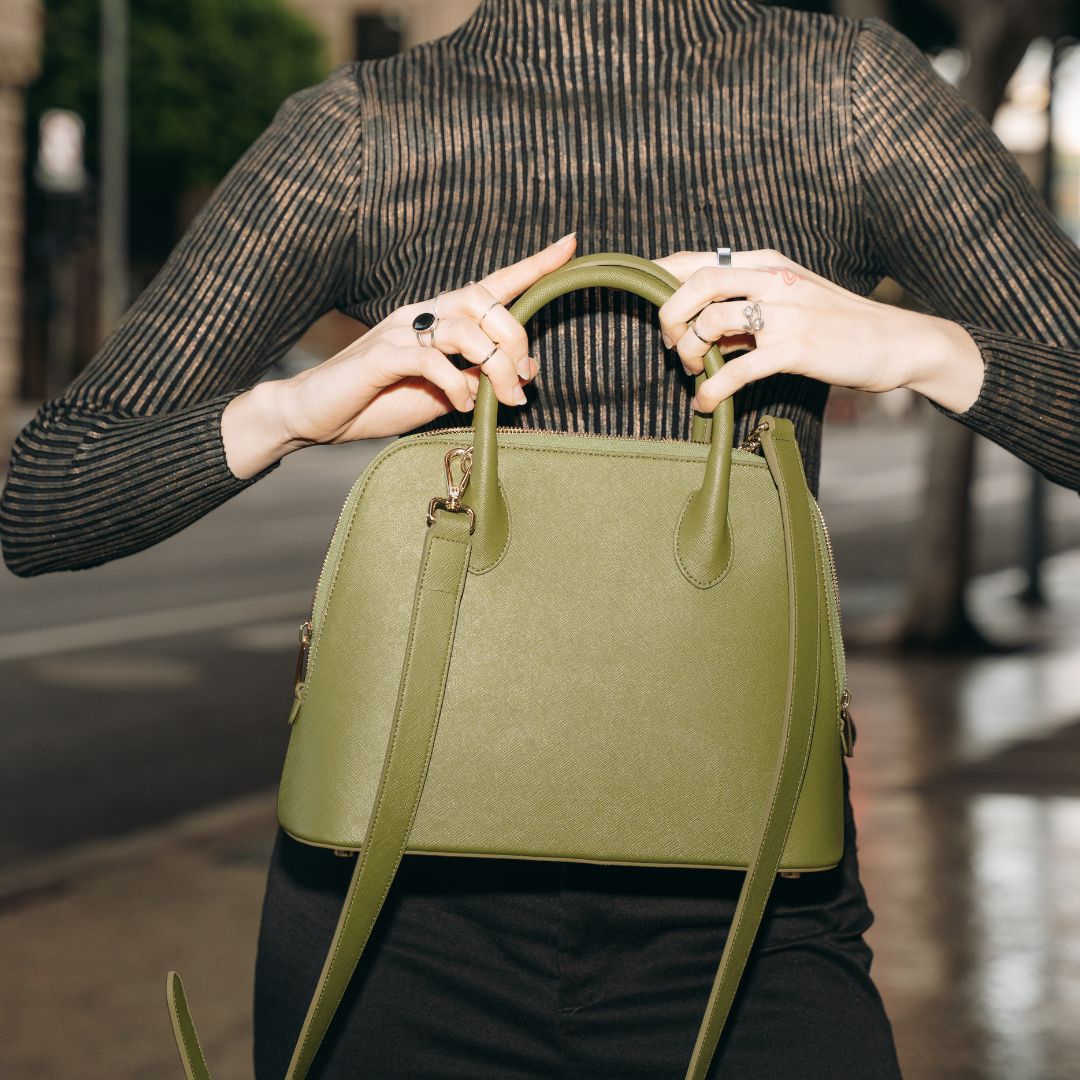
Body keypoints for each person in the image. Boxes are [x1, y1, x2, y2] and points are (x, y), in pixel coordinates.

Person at [2, 0, 1078, 1076]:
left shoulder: (845, 97)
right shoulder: (370, 130)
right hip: (392, 922)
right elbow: (47, 496)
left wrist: (925, 348)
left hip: (753, 910)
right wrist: (300, 408)